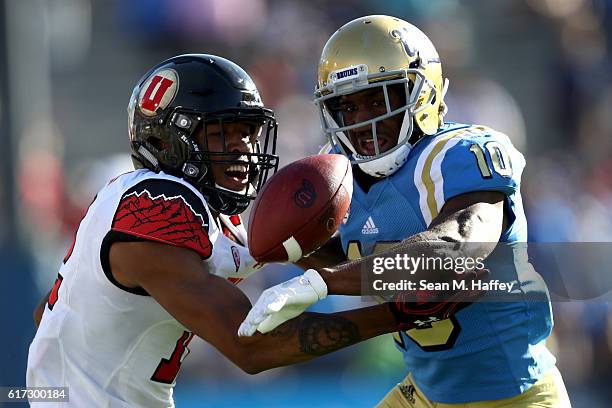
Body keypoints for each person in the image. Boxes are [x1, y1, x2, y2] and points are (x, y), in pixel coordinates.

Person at [26, 54, 406, 407]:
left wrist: (427, 272)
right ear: (165, 141)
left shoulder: (212, 214)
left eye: (249, 132)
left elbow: (47, 314)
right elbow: (253, 348)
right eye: (222, 133)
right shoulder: (155, 208)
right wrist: (404, 312)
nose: (243, 147)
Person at [239, 16, 572, 407]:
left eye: (377, 99)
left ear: (422, 92)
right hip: (427, 392)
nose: (363, 120)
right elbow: (347, 256)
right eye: (346, 105)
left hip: (514, 395)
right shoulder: (338, 174)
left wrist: (323, 283)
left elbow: (454, 249)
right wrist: (266, 248)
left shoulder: (461, 153)